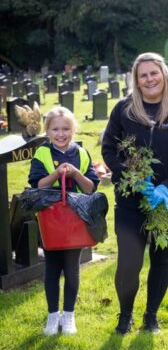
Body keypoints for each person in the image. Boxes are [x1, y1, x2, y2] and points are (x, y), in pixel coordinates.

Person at [101, 52, 168, 334]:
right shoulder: (124, 109)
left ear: (163, 74)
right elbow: (109, 149)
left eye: (153, 73)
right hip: (132, 201)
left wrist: (167, 187)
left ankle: (151, 316)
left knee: (161, 259)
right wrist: (131, 176)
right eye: (143, 75)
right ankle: (125, 315)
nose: (149, 79)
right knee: (129, 263)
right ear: (136, 80)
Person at [29, 106, 100, 336]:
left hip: (75, 219)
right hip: (51, 218)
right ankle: (52, 315)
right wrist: (57, 173)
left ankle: (68, 315)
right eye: (56, 129)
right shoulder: (42, 153)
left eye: (66, 128)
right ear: (47, 130)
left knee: (72, 268)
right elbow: (38, 185)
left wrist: (75, 174)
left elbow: (90, 188)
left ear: (74, 129)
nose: (61, 134)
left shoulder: (80, 153)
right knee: (52, 268)